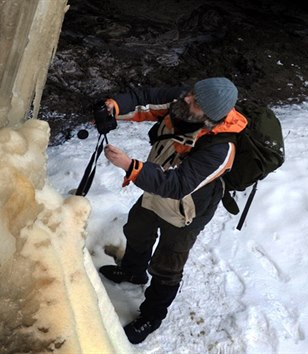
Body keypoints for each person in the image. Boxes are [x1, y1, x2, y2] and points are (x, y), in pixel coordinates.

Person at [98, 77, 247, 344]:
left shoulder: (221, 148)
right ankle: (133, 271)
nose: (187, 99)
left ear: (210, 117)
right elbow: (145, 96)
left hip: (187, 209)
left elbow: (178, 185)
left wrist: (131, 166)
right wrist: (114, 106)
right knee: (137, 228)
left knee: (168, 263)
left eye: (196, 102)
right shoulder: (184, 100)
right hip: (155, 187)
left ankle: (152, 315)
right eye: (192, 93)